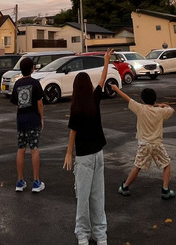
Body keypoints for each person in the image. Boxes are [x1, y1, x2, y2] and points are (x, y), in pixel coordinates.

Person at [63, 48, 114, 245]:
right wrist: (106, 60)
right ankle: (101, 235)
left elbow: (73, 132)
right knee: (98, 196)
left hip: (84, 157)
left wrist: (69, 153)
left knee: (83, 198)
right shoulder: (94, 99)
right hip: (98, 154)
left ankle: (83, 235)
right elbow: (102, 79)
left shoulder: (76, 106)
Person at [113, 85, 175, 200]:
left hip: (144, 144)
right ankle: (165, 189)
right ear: (154, 99)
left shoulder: (140, 108)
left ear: (142, 99)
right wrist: (161, 105)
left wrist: (116, 89)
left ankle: (125, 186)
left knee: (137, 166)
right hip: (157, 144)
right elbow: (171, 110)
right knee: (166, 165)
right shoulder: (160, 112)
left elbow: (127, 98)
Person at [10, 56, 45, 193]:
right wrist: (41, 118)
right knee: (34, 149)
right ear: (32, 69)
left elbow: (17, 104)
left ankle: (20, 181)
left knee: (21, 149)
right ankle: (36, 181)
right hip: (33, 119)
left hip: (21, 120)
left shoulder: (17, 84)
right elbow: (40, 103)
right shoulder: (35, 83)